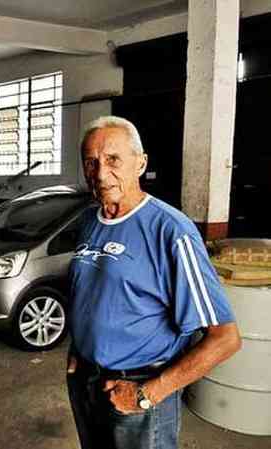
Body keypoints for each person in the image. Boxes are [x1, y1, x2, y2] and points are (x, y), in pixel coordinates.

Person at [67, 116, 242, 449]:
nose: (101, 174)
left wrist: (148, 394)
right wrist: (78, 353)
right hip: (86, 380)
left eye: (113, 159)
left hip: (138, 385)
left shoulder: (172, 231)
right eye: (91, 162)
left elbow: (225, 338)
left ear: (141, 163)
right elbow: (90, 293)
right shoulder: (89, 220)